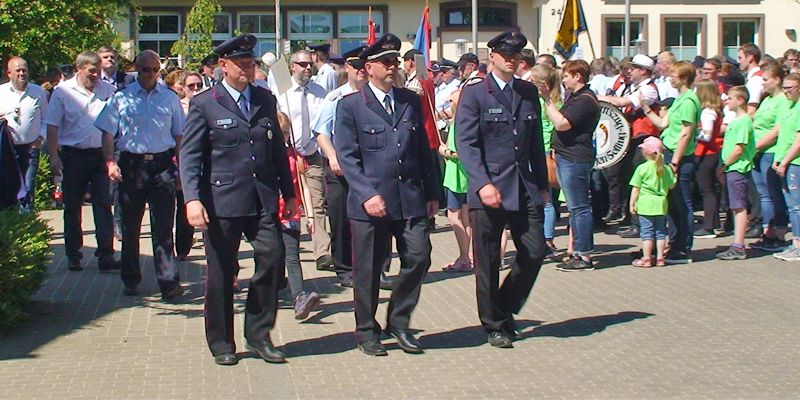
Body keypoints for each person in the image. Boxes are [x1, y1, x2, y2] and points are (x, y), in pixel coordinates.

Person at [180, 34, 296, 365]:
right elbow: (189, 157)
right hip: (221, 201)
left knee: (272, 261)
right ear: (223, 66)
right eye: (241, 64)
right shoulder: (205, 103)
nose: (248, 69)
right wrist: (192, 200)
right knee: (220, 275)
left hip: (262, 199)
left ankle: (258, 334)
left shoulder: (265, 99)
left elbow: (276, 150)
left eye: (251, 63)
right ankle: (221, 342)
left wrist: (288, 194)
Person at [335, 33, 439, 356]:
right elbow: (347, 156)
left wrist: (433, 191)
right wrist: (366, 193)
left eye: (395, 62)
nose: (393, 67)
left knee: (420, 256)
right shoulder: (350, 106)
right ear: (369, 68)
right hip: (371, 203)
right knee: (367, 271)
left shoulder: (410, 100)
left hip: (409, 197)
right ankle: (367, 330)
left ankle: (399, 320)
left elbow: (423, 149)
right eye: (387, 62)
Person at [457, 30, 549, 348]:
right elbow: (466, 144)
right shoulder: (475, 94)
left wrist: (542, 184)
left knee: (535, 249)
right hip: (490, 188)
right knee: (488, 259)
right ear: (491, 56)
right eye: (506, 55)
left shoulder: (527, 91)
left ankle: (505, 307)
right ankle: (493, 323)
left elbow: (535, 141)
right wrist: (482, 184)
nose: (511, 60)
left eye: (516, 56)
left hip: (523, 185)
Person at [95, 50, 186, 299]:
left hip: (162, 165)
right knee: (131, 226)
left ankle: (168, 282)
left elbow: (179, 135)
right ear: (137, 69)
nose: (150, 75)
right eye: (146, 69)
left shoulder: (169, 99)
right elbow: (106, 133)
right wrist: (110, 162)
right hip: (132, 165)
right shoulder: (121, 98)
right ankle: (131, 279)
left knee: (164, 227)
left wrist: (181, 168)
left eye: (155, 70)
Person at [44, 51, 120, 273]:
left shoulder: (108, 90)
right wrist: (54, 156)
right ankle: (74, 255)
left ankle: (106, 255)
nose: (96, 75)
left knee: (104, 205)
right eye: (91, 71)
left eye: (98, 70)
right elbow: (52, 126)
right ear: (79, 69)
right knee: (73, 206)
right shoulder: (63, 92)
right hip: (73, 155)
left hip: (101, 156)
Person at [311, 46, 368, 287]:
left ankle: (376, 268)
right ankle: (344, 268)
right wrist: (332, 157)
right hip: (341, 168)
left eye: (365, 67)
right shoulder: (335, 98)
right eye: (356, 67)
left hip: (369, 168)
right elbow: (321, 131)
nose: (361, 72)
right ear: (347, 68)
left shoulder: (376, 96)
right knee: (341, 219)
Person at [273, 50, 332, 272]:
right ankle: (287, 251)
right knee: (289, 203)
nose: (308, 68)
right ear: (292, 67)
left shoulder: (319, 92)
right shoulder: (281, 91)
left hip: (312, 154)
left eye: (310, 64)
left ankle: (322, 252)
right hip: (287, 156)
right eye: (303, 64)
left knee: (316, 203)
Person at [542, 59, 601, 272]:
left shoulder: (585, 100)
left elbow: (562, 123)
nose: (563, 80)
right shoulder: (576, 97)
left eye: (566, 76)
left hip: (575, 158)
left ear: (578, 76)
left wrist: (547, 100)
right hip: (567, 157)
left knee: (579, 208)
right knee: (575, 209)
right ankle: (577, 251)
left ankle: (584, 255)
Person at [641, 61, 700, 264]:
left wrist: (675, 162)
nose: (670, 79)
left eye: (674, 76)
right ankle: (674, 244)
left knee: (682, 203)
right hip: (670, 153)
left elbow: (686, 133)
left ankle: (683, 248)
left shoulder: (690, 101)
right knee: (672, 204)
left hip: (679, 157)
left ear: (684, 78)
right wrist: (646, 108)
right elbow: (663, 123)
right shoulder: (679, 100)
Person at [597, 54, 661, 227]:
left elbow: (622, 102)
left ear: (643, 71)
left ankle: (638, 223)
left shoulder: (649, 89)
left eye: (633, 68)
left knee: (638, 180)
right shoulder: (634, 86)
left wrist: (598, 98)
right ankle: (629, 217)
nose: (629, 71)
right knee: (628, 178)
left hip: (644, 138)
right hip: (631, 139)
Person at [275, 111, 321, 320]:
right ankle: (273, 288)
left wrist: (310, 216)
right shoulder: (261, 156)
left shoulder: (294, 156)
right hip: (268, 214)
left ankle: (299, 297)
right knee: (271, 257)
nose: (282, 137)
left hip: (290, 213)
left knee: (292, 255)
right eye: (278, 132)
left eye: (285, 133)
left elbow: (303, 187)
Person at [750, 65, 791, 252]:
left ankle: (779, 232)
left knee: (774, 194)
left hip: (770, 151)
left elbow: (776, 130)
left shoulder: (783, 101)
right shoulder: (766, 100)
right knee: (763, 194)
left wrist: (755, 147)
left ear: (778, 80)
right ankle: (767, 230)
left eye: (766, 80)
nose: (763, 83)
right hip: (757, 152)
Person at [0, 57, 48, 209]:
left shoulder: (38, 92)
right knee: (8, 189)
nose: (22, 73)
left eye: (24, 70)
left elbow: (47, 119)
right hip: (7, 150)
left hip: (30, 149)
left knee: (27, 190)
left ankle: (28, 225)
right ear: (9, 73)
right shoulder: (1, 92)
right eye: (18, 70)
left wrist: (40, 138)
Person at [716, 86, 756, 260]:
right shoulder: (736, 121)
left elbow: (740, 148)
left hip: (737, 168)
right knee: (735, 206)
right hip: (733, 167)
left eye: (730, 98)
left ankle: (738, 245)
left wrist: (726, 163)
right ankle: (737, 243)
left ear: (740, 101)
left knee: (739, 206)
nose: (727, 101)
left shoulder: (744, 121)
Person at [530, 63, 562, 258]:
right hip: (534, 150)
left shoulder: (552, 103)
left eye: (533, 81)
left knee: (546, 198)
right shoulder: (540, 100)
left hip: (545, 152)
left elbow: (554, 128)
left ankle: (548, 240)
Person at [629, 136, 676, 267]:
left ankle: (647, 258)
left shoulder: (642, 168)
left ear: (645, 152)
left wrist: (632, 204)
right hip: (661, 204)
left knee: (647, 232)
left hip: (645, 204)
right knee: (660, 232)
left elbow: (636, 188)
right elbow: (672, 185)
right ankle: (660, 258)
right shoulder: (666, 168)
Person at [439, 88, 472, 273]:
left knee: (454, 216)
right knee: (466, 218)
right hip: (465, 177)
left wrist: (444, 151)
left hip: (456, 176)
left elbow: (460, 152)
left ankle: (464, 256)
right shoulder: (466, 121)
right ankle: (467, 255)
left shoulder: (459, 123)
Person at [174, 71, 204, 260]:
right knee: (184, 204)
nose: (195, 89)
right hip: (183, 161)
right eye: (191, 86)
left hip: (206, 162)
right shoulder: (179, 107)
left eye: (198, 85)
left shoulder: (209, 105)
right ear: (183, 88)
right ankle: (183, 248)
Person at [691, 79, 725, 239]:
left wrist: (692, 133)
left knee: (707, 191)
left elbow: (707, 135)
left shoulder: (708, 112)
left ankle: (709, 226)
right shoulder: (710, 110)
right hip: (707, 153)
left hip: (706, 154)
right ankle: (712, 222)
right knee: (708, 190)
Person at [772, 73, 800, 261]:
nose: (786, 91)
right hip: (785, 161)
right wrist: (778, 158)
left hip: (795, 163)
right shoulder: (789, 106)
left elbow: (798, 140)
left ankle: (798, 245)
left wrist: (785, 161)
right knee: (791, 205)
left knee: (797, 206)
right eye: (785, 88)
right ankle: (795, 244)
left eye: (790, 88)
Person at [738, 43, 765, 117]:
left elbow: (751, 111)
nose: (738, 62)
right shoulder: (754, 78)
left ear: (750, 58)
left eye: (740, 58)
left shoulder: (755, 80)